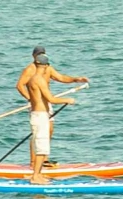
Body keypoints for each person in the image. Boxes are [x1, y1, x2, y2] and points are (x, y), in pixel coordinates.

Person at [16, 46, 88, 176]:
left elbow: (60, 77)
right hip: (38, 105)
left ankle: (43, 160)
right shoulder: (30, 70)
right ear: (33, 56)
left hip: (47, 104)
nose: (40, 56)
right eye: (38, 54)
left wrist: (76, 79)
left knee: (49, 130)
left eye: (42, 54)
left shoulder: (48, 68)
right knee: (37, 133)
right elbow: (20, 85)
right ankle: (33, 162)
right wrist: (29, 98)